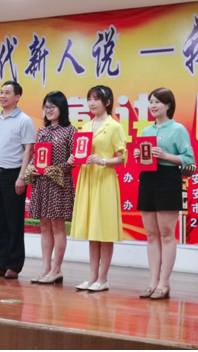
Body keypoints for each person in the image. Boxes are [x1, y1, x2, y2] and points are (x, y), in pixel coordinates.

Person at [133, 88, 196, 300]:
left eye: (157, 102)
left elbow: (189, 160)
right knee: (151, 235)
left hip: (168, 180)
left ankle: (164, 283)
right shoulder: (146, 131)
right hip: (147, 180)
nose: (153, 106)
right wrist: (138, 155)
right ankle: (152, 282)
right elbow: (145, 159)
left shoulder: (178, 129)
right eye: (150, 102)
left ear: (168, 105)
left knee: (167, 234)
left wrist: (165, 155)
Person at [68, 85, 127, 292]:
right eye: (89, 99)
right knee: (93, 230)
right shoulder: (85, 127)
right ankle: (92, 277)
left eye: (96, 99)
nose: (91, 103)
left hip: (104, 180)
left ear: (107, 102)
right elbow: (81, 153)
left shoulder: (115, 127)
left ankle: (103, 279)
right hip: (87, 179)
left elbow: (121, 158)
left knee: (105, 230)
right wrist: (74, 159)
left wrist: (102, 161)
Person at [0, 81, 35, 279]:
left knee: (14, 222)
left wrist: (22, 176)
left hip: (13, 176)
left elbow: (28, 150)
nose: (2, 96)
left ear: (17, 97)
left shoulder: (24, 120)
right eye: (1, 92)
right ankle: (1, 263)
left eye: (7, 92)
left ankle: (14, 265)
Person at [25, 91, 76, 284]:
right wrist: (32, 169)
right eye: (46, 107)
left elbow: (74, 160)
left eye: (52, 106)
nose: (48, 110)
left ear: (61, 107)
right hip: (41, 183)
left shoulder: (70, 131)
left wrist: (55, 169)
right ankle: (45, 268)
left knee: (57, 227)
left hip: (59, 184)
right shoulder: (42, 131)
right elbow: (36, 156)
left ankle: (56, 269)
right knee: (44, 226)